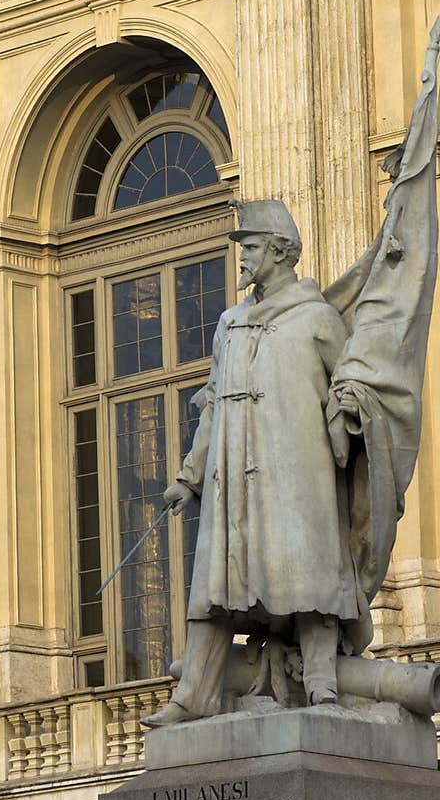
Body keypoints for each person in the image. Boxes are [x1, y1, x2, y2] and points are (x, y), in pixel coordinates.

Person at [147, 199, 365, 724]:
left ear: (279, 250)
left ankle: (320, 681)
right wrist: (189, 476)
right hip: (235, 478)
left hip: (299, 475)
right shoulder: (231, 324)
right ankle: (194, 693)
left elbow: (351, 385)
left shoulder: (317, 320)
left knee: (310, 574)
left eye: (248, 247)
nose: (240, 257)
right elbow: (213, 403)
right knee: (216, 587)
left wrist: (354, 407)